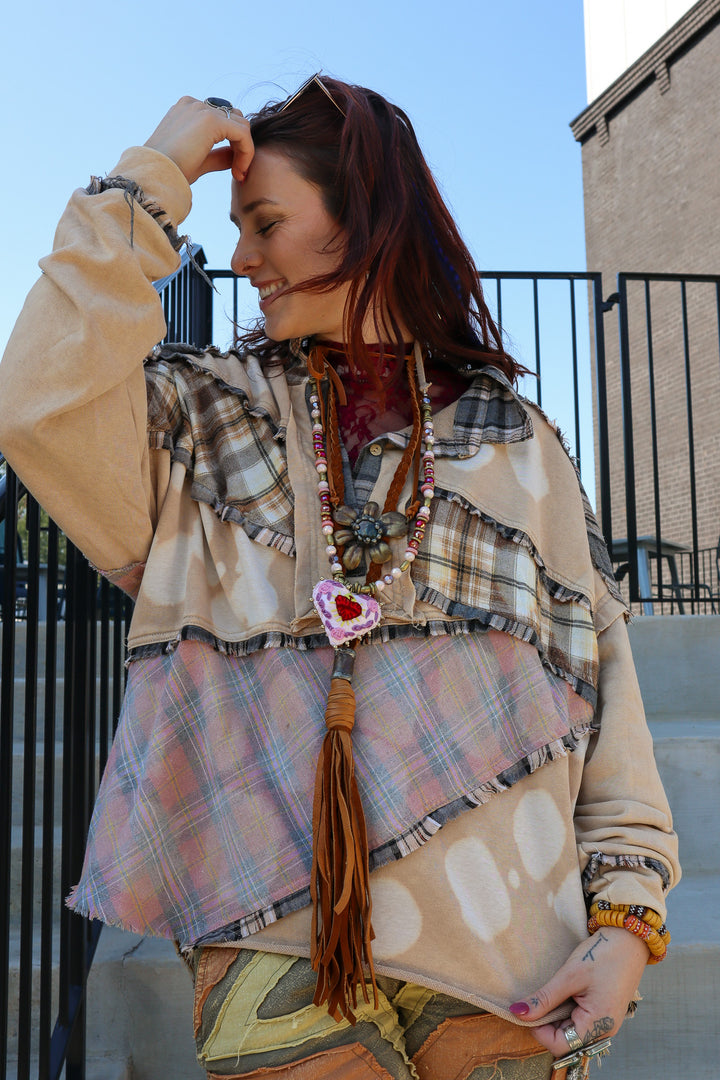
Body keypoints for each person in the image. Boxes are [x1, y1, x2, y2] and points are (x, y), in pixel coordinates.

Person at [0, 76, 679, 1080]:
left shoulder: (521, 443)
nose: (240, 258)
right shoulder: (205, 420)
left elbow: (604, 685)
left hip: (512, 946)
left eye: (266, 222)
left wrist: (629, 917)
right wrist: (148, 180)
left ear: (364, 218)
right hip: (270, 928)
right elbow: (39, 402)